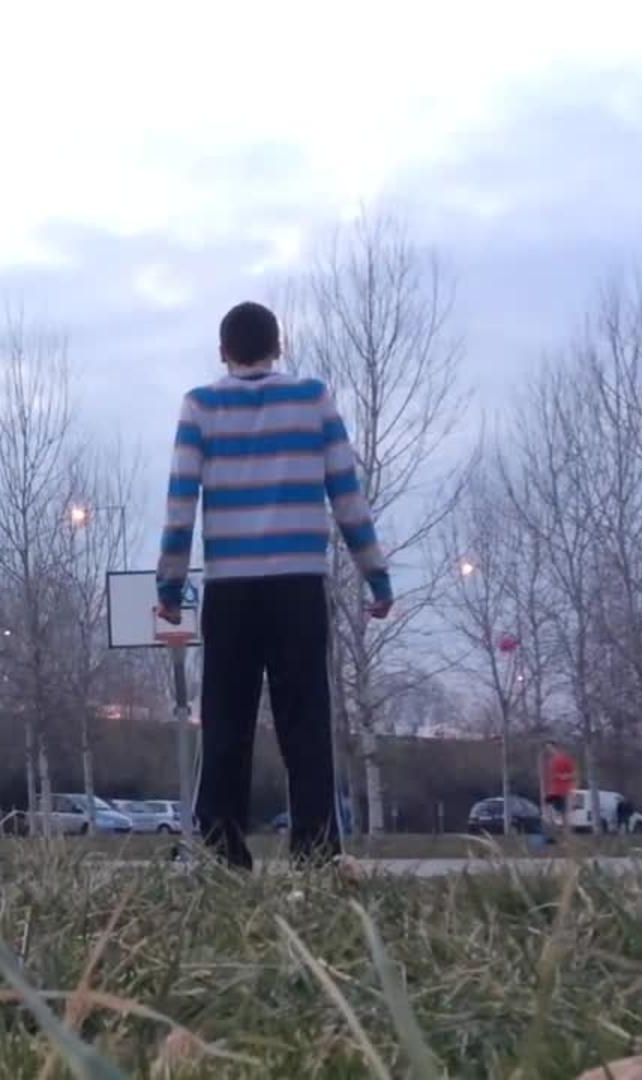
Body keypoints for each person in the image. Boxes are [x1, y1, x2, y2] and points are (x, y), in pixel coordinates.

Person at [156, 301, 392, 871]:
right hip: (298, 585)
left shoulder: (200, 406)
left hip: (231, 590)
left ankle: (223, 850)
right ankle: (315, 850)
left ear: (222, 352)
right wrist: (375, 574)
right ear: (278, 346)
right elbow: (346, 494)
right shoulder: (312, 400)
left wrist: (169, 586)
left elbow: (181, 503)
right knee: (306, 722)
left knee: (226, 723)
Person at [543, 741, 577, 829]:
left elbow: (573, 774)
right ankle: (554, 828)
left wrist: (564, 777)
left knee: (563, 812)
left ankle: (566, 831)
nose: (548, 750)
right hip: (553, 790)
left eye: (550, 748)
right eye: (547, 748)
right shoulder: (550, 761)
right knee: (548, 807)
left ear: (555, 747)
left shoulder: (565, 759)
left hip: (563, 791)